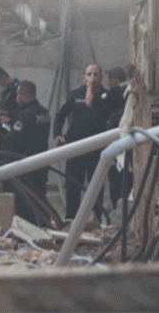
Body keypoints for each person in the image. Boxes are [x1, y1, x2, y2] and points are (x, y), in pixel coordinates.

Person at [54, 64, 117, 223]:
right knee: (73, 187)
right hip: (76, 147)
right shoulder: (76, 94)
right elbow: (60, 115)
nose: (93, 78)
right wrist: (57, 135)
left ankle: (96, 219)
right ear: (84, 77)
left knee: (96, 188)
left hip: (97, 150)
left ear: (101, 77)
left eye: (96, 75)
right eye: (89, 74)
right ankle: (70, 219)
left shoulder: (106, 96)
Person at [0, 80, 51, 225]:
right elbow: (29, 129)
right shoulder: (44, 112)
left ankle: (27, 227)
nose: (17, 96)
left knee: (24, 200)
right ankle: (45, 224)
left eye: (18, 93)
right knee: (40, 196)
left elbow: (13, 140)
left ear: (23, 95)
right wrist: (12, 120)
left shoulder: (24, 115)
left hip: (25, 165)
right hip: (42, 162)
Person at [105, 65, 132, 211]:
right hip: (127, 143)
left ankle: (118, 210)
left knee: (116, 181)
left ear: (113, 80)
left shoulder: (113, 94)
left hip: (117, 142)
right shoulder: (130, 91)